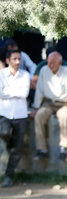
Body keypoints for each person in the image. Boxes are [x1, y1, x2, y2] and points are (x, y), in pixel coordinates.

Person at [32, 51, 67, 160]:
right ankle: (41, 149)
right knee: (39, 116)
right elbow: (39, 90)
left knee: (64, 116)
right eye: (48, 62)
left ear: (60, 63)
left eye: (53, 63)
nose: (50, 65)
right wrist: (36, 107)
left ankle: (64, 147)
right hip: (48, 102)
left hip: (63, 103)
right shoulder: (44, 70)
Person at [0, 49, 30, 187]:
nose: (18, 62)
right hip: (4, 113)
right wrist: (14, 93)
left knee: (17, 149)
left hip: (20, 114)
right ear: (8, 60)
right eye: (15, 59)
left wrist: (7, 92)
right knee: (4, 133)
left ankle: (9, 177)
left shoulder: (25, 75)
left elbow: (24, 93)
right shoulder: (1, 74)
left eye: (19, 59)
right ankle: (10, 146)